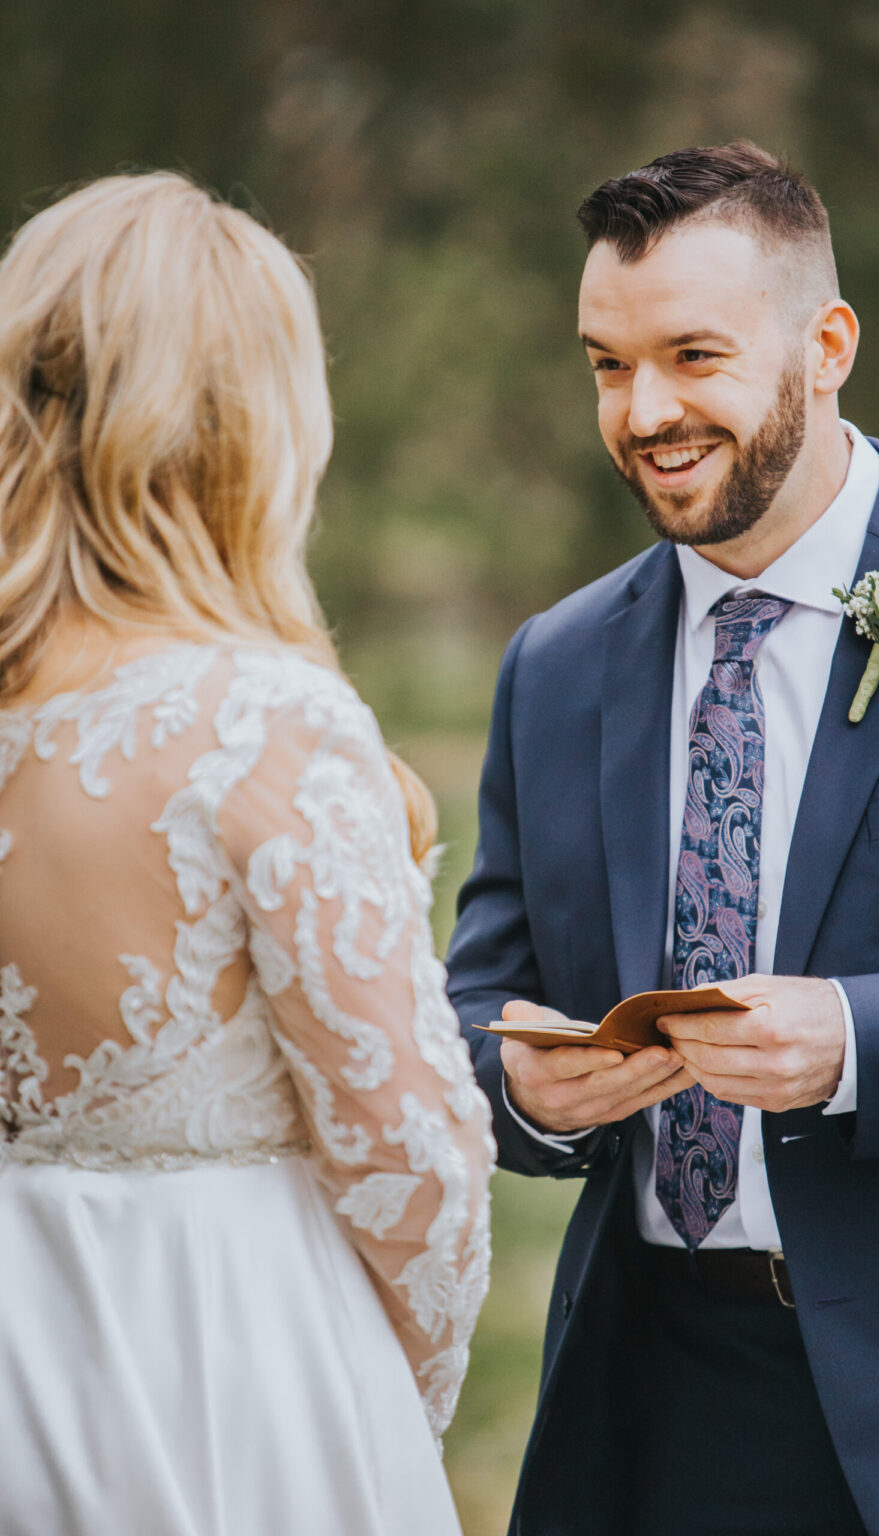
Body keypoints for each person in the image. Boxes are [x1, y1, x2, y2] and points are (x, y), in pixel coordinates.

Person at [446, 140, 879, 1536]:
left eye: (694, 355)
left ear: (827, 346)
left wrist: (858, 1038)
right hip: (654, 1400)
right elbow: (472, 1010)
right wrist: (523, 1089)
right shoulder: (558, 661)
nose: (646, 411)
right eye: (606, 364)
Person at [0, 172, 493, 1536]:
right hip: (228, 1370)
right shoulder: (260, 724)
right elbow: (413, 1162)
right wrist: (386, 1395)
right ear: (245, 424)